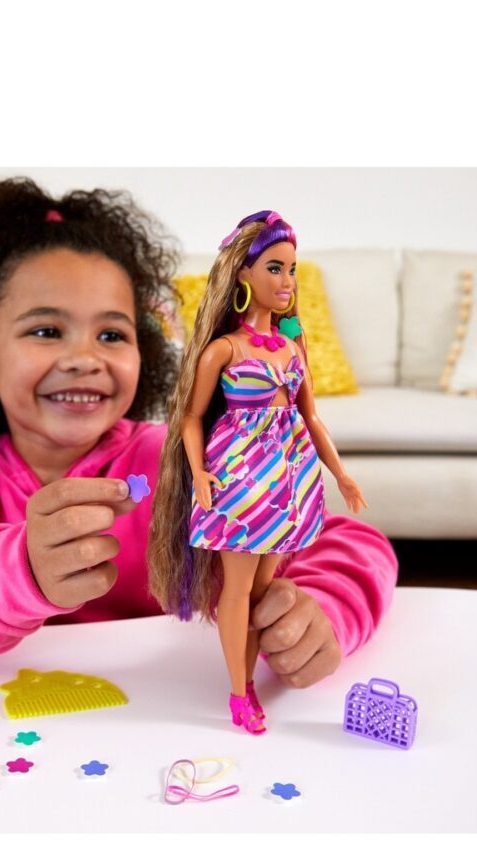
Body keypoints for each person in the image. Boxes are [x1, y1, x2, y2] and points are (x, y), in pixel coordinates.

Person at [0, 178, 397, 707]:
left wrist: (323, 609)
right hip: (4, 719)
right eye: (46, 331)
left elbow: (356, 544)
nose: (85, 359)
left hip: (164, 719)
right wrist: (19, 570)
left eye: (111, 335)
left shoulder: (169, 459)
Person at [149, 210, 371, 735]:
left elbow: (311, 417)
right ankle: (238, 692)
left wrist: (340, 474)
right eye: (274, 268)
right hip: (241, 479)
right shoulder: (223, 350)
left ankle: (246, 680)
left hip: (289, 478)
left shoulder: (293, 348)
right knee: (237, 586)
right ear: (244, 274)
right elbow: (191, 417)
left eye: (291, 269)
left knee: (261, 589)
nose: (287, 281)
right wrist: (199, 472)